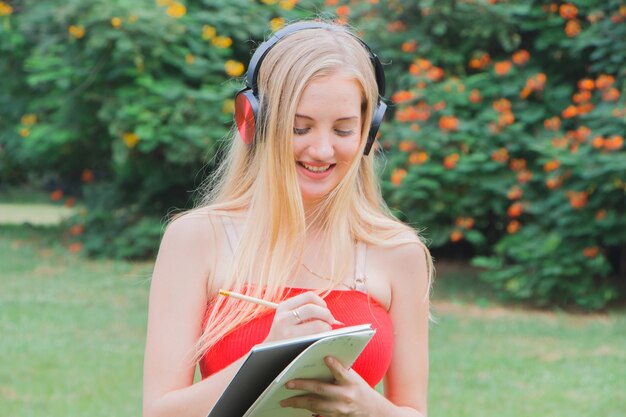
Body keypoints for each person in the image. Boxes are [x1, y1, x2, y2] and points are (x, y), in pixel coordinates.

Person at [143, 20, 432, 417]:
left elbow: (413, 410)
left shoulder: (399, 252)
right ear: (254, 121)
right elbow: (159, 412)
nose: (322, 149)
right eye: (300, 127)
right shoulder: (196, 239)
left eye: (344, 130)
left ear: (369, 132)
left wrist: (369, 407)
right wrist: (265, 362)